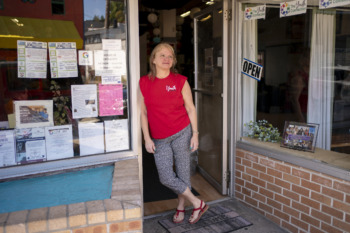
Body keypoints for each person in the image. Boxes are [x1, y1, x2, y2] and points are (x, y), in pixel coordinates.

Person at [139, 43, 208, 224]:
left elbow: (191, 109)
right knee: (166, 177)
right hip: (159, 138)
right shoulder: (144, 82)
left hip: (182, 133)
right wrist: (146, 138)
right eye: (162, 55)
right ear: (153, 59)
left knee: (183, 174)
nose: (166, 59)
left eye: (170, 56)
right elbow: (143, 113)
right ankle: (197, 202)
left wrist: (195, 134)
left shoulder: (180, 81)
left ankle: (180, 207)